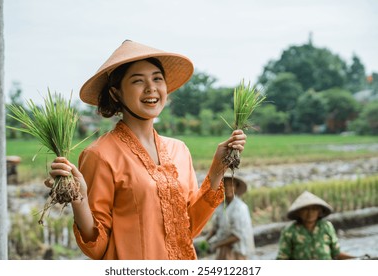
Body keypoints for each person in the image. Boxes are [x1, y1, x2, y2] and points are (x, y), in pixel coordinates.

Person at [45, 40, 247, 260]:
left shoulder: (179, 150)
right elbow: (97, 248)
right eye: (138, 81)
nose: (151, 88)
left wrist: (218, 168)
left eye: (157, 79)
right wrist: (79, 198)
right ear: (115, 94)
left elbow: (188, 229)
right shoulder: (100, 155)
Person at [276, 190, 354, 260]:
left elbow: (336, 254)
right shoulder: (290, 231)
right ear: (299, 212)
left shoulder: (326, 226)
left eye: (314, 209)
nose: (310, 213)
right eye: (305, 209)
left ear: (319, 211)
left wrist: (357, 259)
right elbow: (282, 258)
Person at [206, 175, 255, 260]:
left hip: (237, 250)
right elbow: (215, 227)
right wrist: (206, 239)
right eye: (225, 186)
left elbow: (237, 236)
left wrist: (216, 245)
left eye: (231, 185)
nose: (228, 188)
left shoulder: (240, 207)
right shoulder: (221, 206)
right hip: (223, 248)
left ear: (236, 187)